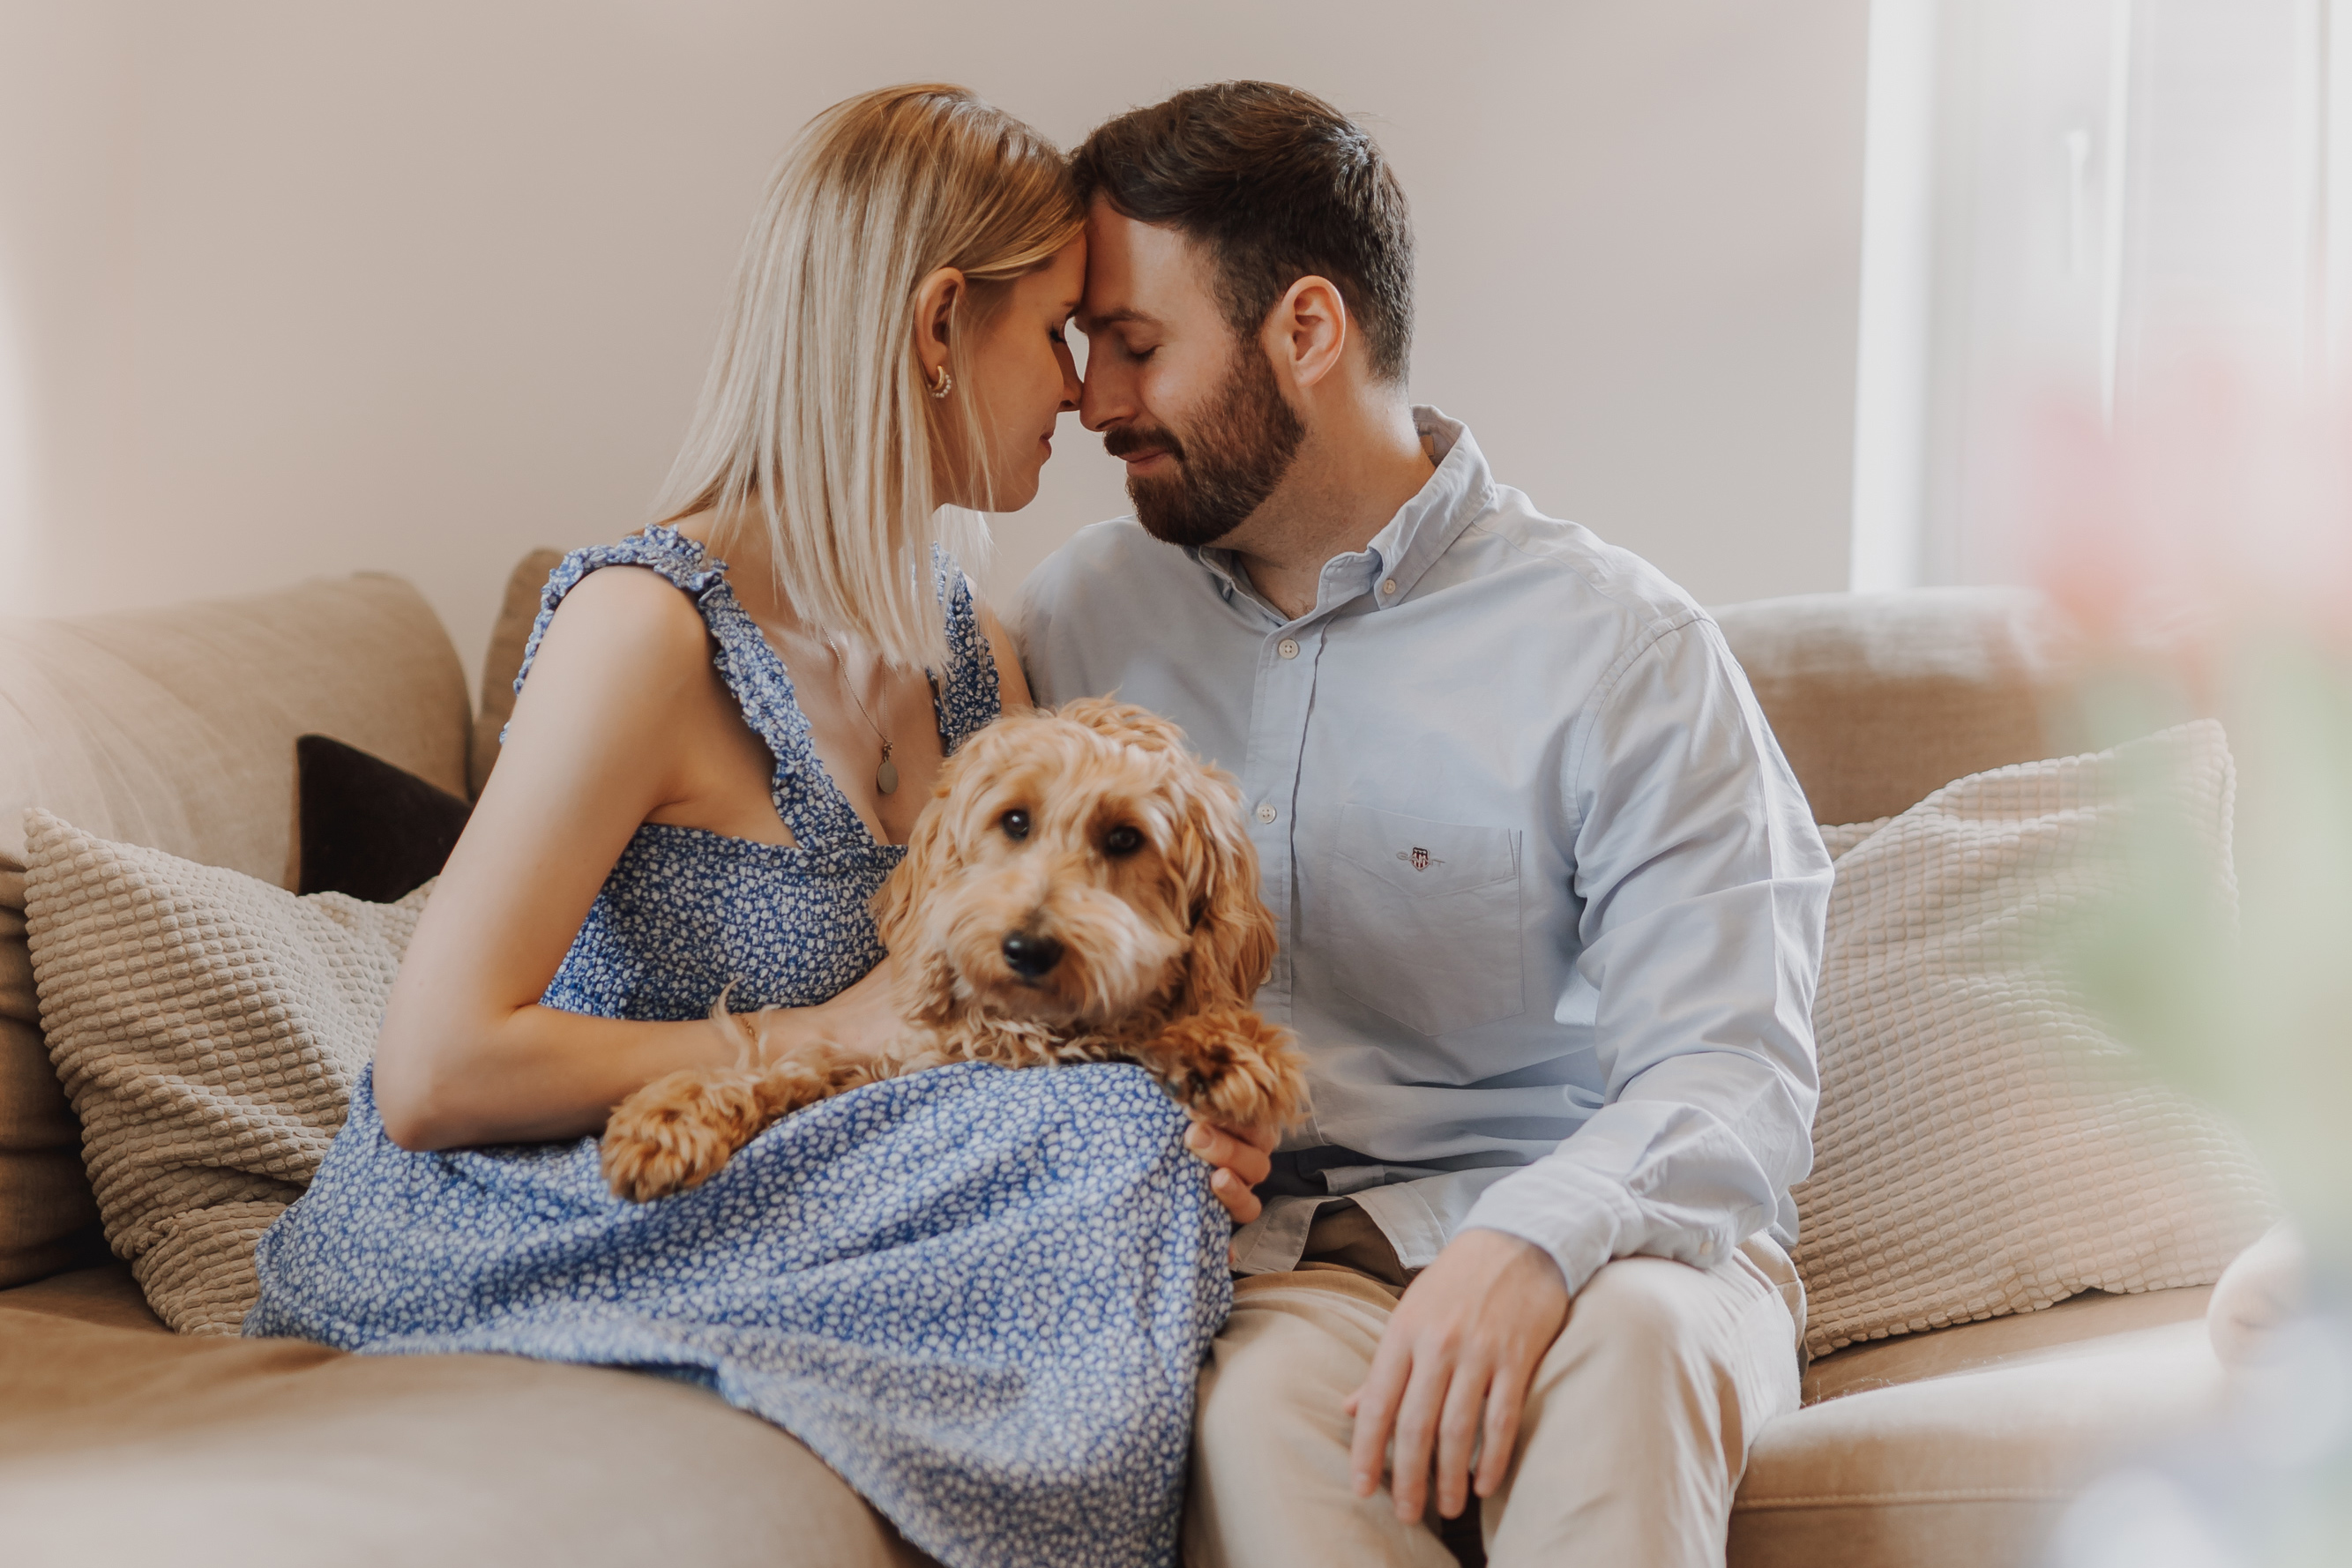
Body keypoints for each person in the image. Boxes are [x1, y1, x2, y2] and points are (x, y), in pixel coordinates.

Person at [246, 85, 1258, 1568]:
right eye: (1052, 331)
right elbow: (433, 1070)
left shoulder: (974, 645)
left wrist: (1185, 1113)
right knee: (1093, 1150)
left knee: (1123, 1132)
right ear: (933, 331)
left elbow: (997, 1001)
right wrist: (826, 1038)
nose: (1081, 390)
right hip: (552, 1194)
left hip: (794, 1169)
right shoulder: (642, 630)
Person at [1016, 82, 1833, 1567]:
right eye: (1085, 352)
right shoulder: (1081, 615)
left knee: (1633, 1359)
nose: (1094, 401)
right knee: (1251, 1421)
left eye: (1137, 346)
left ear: (1306, 332)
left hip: (1610, 1244)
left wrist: (1532, 1239)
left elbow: (1735, 1066)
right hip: (1291, 1271)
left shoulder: (1622, 646)